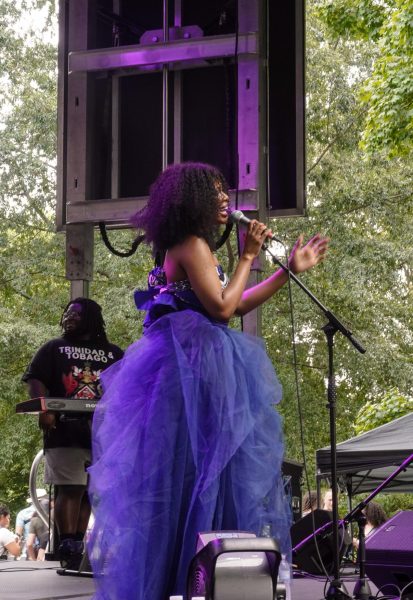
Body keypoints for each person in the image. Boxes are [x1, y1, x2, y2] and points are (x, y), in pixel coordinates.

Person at [88, 162, 329, 600]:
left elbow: (233, 305)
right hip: (191, 370)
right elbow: (221, 309)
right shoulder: (191, 242)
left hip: (193, 369)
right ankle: (195, 584)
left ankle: (197, 581)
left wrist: (287, 269)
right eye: (215, 190)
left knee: (199, 479)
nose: (225, 198)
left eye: (225, 189)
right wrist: (248, 257)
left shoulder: (194, 246)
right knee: (202, 478)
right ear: (192, 198)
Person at [22, 298, 123, 569]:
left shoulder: (112, 353)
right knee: (71, 487)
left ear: (90, 319)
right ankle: (67, 543)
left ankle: (78, 541)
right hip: (64, 431)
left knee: (91, 490)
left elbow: (128, 386)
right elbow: (35, 378)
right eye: (66, 313)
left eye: (75, 314)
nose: (68, 317)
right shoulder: (53, 348)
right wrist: (45, 407)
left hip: (102, 435)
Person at [15, 488, 47, 560]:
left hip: (28, 552)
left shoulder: (22, 513)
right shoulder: (50, 513)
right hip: (45, 552)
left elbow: (18, 536)